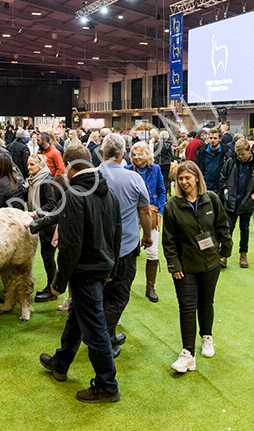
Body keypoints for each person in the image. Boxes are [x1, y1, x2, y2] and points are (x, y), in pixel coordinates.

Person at [38, 145, 122, 404]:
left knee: (95, 330)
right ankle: (61, 362)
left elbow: (70, 244)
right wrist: (112, 268)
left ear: (69, 164)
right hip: (101, 267)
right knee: (78, 316)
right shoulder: (108, 192)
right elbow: (117, 233)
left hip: (84, 272)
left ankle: (107, 385)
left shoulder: (74, 194)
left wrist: (58, 282)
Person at [162, 161, 232, 373]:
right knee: (186, 307)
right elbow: (169, 240)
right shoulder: (172, 206)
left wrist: (225, 251)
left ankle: (207, 337)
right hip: (185, 267)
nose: (183, 182)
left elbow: (222, 226)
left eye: (187, 178)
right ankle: (188, 353)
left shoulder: (212, 199)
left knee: (206, 303)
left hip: (211, 263)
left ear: (196, 178)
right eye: (180, 179)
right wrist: (174, 265)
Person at [98, 133, 152, 357]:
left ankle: (106, 336)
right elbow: (144, 212)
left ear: (102, 152)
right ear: (123, 154)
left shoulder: (91, 176)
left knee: (100, 293)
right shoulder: (134, 179)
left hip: (96, 248)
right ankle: (104, 339)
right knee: (119, 295)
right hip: (125, 247)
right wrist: (147, 236)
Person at [127, 142, 166, 303]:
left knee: (153, 251)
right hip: (131, 214)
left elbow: (162, 191)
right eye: (134, 154)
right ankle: (125, 284)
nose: (136, 157)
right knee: (129, 250)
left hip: (152, 213)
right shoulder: (127, 170)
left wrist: (160, 212)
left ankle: (150, 287)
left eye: (139, 154)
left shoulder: (155, 169)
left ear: (147, 154)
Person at [219, 139, 254, 268]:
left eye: (242, 154)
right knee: (228, 229)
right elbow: (223, 177)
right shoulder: (231, 161)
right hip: (231, 201)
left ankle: (243, 254)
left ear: (249, 151)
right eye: (238, 154)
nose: (240, 157)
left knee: (244, 229)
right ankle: (224, 255)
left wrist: (252, 197)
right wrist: (226, 192)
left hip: (247, 202)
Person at [26, 154, 59, 302]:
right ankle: (51, 287)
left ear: (41, 166)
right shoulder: (34, 181)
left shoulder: (45, 182)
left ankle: (52, 289)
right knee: (47, 257)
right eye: (28, 164)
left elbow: (52, 204)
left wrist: (35, 212)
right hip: (44, 225)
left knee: (48, 258)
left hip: (49, 226)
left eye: (32, 164)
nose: (29, 167)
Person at [195, 127, 230, 200]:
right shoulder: (201, 152)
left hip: (219, 188)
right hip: (205, 187)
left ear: (219, 139)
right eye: (210, 138)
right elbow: (197, 169)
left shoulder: (226, 153)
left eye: (215, 138)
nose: (212, 140)